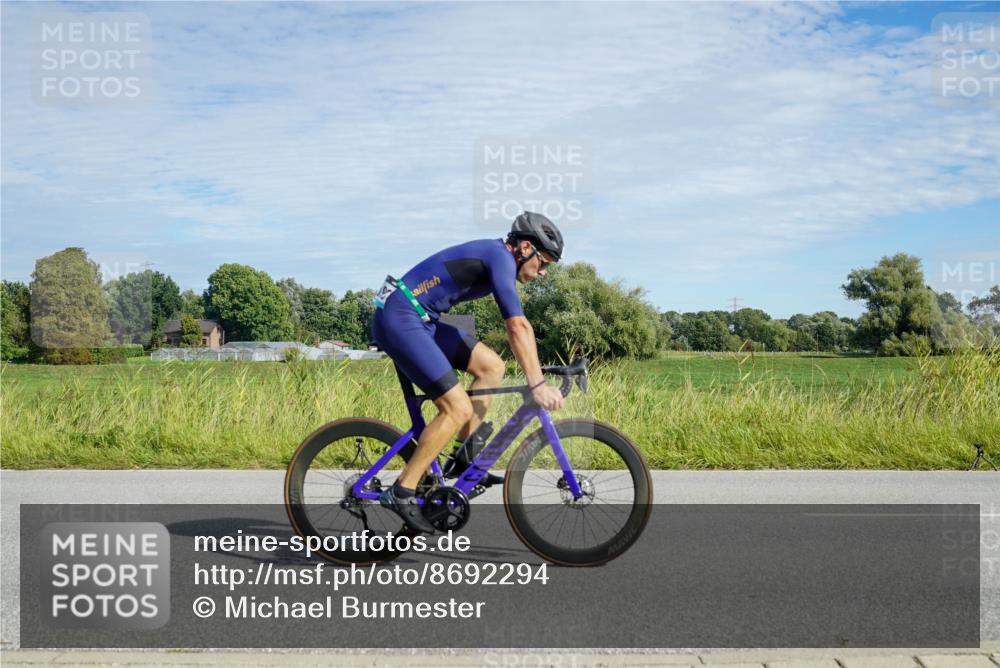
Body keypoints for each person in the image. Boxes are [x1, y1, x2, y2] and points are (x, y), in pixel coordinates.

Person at [372, 211, 566, 532]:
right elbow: (516, 326)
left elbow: (523, 327)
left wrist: (538, 373)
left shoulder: (499, 257)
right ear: (525, 248)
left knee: (492, 366)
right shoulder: (499, 257)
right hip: (401, 316)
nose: (543, 272)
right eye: (542, 262)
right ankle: (402, 489)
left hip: (422, 319)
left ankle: (463, 460)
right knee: (457, 407)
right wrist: (537, 384)